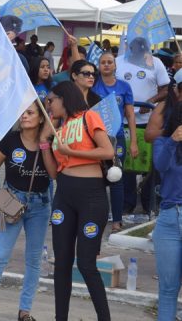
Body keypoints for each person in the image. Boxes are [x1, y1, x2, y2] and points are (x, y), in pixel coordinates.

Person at [0, 102, 58, 321]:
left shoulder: (49, 142)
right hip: (9, 200)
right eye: (22, 113)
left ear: (41, 118)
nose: (24, 116)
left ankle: (25, 311)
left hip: (40, 205)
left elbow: (53, 174)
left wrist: (44, 144)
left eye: (30, 113)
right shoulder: (10, 140)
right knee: (0, 255)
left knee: (34, 259)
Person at [44, 81, 114, 321]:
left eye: (51, 100)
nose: (49, 105)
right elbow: (53, 173)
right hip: (63, 194)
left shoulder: (89, 117)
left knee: (85, 263)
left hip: (91, 196)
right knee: (61, 263)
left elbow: (107, 151)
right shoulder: (59, 130)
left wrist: (72, 152)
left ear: (64, 98)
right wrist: (46, 145)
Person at [116, 40, 169, 214]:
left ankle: (148, 202)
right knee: (125, 163)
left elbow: (166, 89)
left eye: (143, 50)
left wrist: (151, 101)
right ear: (129, 48)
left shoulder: (156, 62)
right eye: (135, 50)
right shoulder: (119, 62)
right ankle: (127, 202)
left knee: (149, 163)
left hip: (148, 121)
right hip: (123, 121)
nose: (139, 53)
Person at [92, 51, 138, 232]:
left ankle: (117, 220)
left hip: (116, 139)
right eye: (102, 62)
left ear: (115, 65)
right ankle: (97, 218)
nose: (106, 65)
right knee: (97, 179)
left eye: (109, 62)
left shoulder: (124, 87)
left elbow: (130, 115)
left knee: (116, 177)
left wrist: (133, 141)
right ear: (99, 66)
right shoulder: (93, 86)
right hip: (96, 138)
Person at [148, 84, 182, 320]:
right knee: (168, 289)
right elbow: (160, 167)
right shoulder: (164, 141)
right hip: (169, 218)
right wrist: (172, 140)